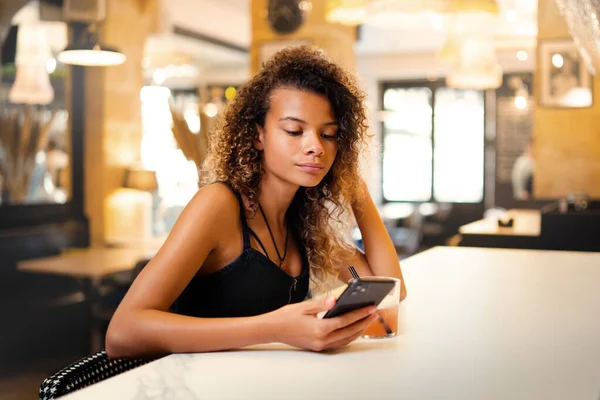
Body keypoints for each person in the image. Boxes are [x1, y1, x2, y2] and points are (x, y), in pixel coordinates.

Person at [106, 46, 406, 358]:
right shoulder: (218, 205)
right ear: (258, 135)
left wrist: (356, 188)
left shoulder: (303, 218)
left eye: (328, 135)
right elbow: (122, 333)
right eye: (294, 130)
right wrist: (276, 328)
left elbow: (390, 292)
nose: (315, 146)